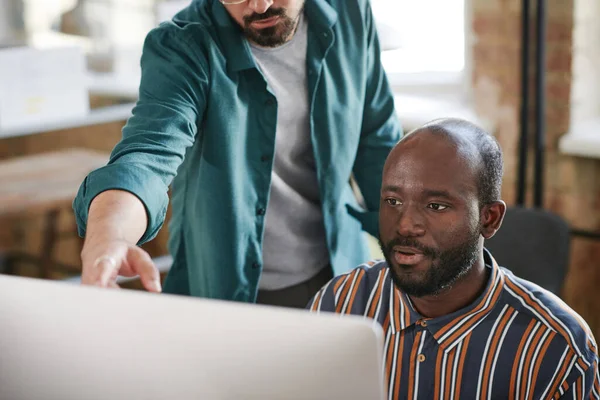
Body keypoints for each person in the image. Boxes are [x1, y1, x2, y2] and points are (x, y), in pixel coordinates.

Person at [72, 0, 402, 307]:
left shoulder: (350, 13)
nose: (259, 5)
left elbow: (377, 141)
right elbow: (146, 157)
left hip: (341, 270)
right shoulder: (183, 46)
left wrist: (409, 239)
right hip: (227, 287)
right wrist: (110, 234)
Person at [309, 118, 599, 399]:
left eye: (436, 206)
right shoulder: (339, 303)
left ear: (489, 218)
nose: (405, 225)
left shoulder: (557, 347)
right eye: (393, 201)